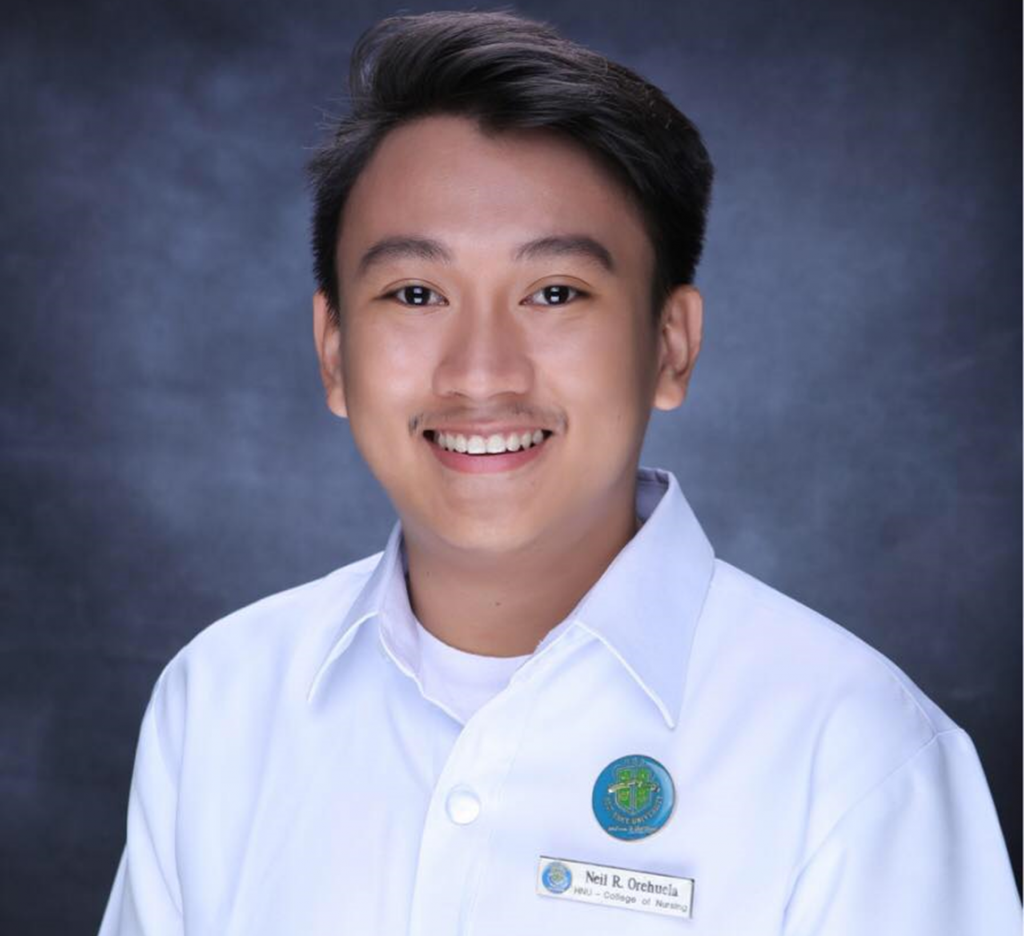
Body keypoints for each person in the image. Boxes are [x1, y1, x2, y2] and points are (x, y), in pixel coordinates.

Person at [98, 10, 1020, 935]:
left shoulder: (857, 754)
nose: (481, 374)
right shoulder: (219, 703)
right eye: (416, 293)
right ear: (334, 352)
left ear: (671, 345)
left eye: (554, 293)